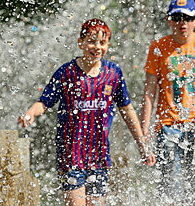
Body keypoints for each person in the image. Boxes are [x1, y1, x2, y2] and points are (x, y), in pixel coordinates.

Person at [18, 18, 155, 206]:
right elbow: (44, 102)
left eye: (102, 42)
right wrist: (30, 113)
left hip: (99, 157)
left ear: (108, 44)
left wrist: (141, 143)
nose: (97, 47)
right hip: (70, 155)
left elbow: (126, 109)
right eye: (91, 41)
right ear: (80, 43)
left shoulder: (113, 73)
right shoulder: (66, 73)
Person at [140, 0, 195, 205]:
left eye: (187, 18)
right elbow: (149, 93)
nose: (182, 23)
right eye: (177, 18)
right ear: (169, 21)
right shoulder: (158, 47)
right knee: (171, 191)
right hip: (169, 126)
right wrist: (144, 132)